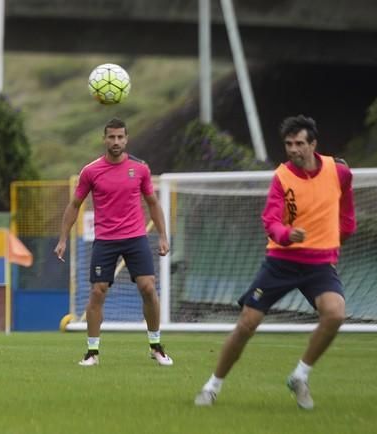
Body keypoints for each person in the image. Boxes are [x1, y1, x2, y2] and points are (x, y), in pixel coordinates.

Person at [194, 115, 356, 410]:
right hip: (281, 261)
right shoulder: (282, 176)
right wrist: (286, 234)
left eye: (299, 144)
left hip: (319, 264)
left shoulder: (340, 172)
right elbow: (270, 220)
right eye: (288, 144)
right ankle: (212, 386)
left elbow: (346, 214)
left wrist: (340, 239)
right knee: (247, 324)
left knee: (335, 314)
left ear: (313, 144)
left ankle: (300, 375)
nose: (293, 150)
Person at [54, 118, 173, 367]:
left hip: (135, 238)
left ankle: (156, 346)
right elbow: (74, 205)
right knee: (98, 292)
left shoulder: (140, 169)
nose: (116, 141)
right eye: (111, 137)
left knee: (148, 288)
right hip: (105, 240)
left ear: (126, 139)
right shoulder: (91, 171)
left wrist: (162, 235)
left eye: (120, 137)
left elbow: (152, 203)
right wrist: (63, 238)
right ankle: (92, 352)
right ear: (104, 139)